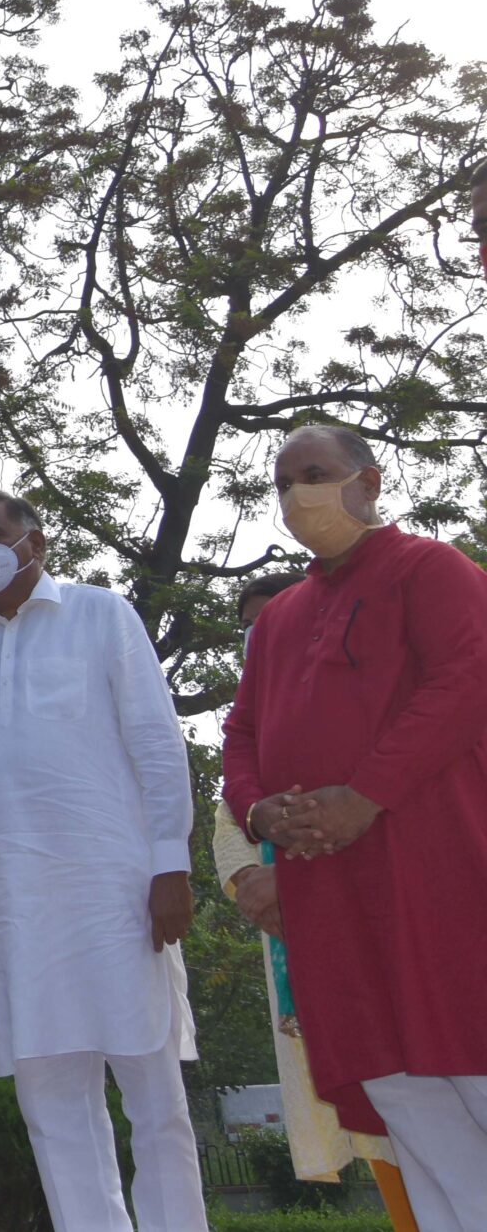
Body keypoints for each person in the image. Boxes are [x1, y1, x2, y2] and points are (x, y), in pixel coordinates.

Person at [224, 425, 487, 1228]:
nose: (299, 494)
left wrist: (365, 795)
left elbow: (467, 679)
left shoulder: (430, 569)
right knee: (401, 1095)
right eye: (284, 482)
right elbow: (241, 735)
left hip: (435, 866)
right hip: (330, 887)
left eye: (316, 474)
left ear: (368, 484)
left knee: (472, 1067)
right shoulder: (281, 617)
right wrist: (258, 806)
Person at [0, 489, 206, 1232]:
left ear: (36, 541)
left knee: (154, 1097)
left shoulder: (101, 614)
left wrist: (168, 865)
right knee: (51, 1101)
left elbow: (155, 741)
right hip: (18, 906)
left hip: (117, 891)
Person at [209, 574, 417, 1230]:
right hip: (306, 947)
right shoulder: (257, 724)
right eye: (251, 628)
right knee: (377, 1115)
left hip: (399, 935)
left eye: (275, 619)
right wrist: (252, 883)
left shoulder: (379, 692)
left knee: (427, 1092)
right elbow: (232, 817)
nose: (263, 636)